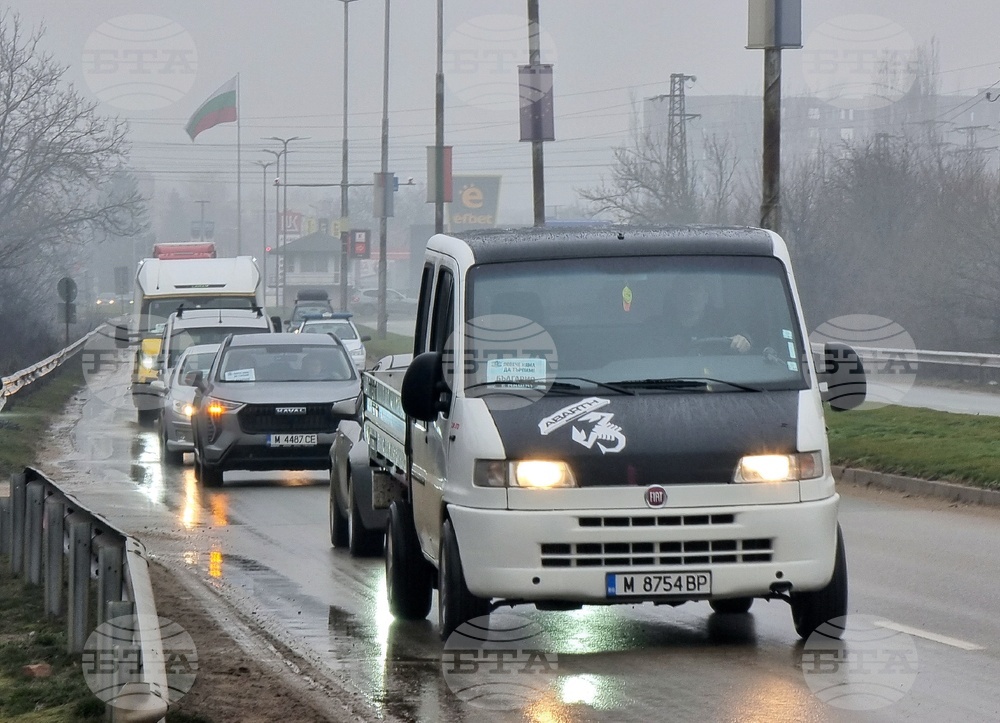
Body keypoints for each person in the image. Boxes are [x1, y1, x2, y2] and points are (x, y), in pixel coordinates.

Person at [658, 276, 752, 354]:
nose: (690, 294)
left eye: (696, 288)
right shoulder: (656, 328)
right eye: (684, 289)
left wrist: (743, 341)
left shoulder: (723, 322)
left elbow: (744, 339)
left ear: (706, 297)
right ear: (674, 297)